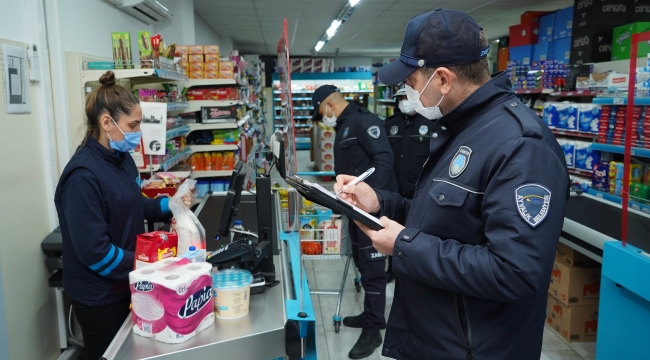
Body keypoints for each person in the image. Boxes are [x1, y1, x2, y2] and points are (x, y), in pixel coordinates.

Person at [334, 9, 569, 360]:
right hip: (438, 338)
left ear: (443, 80)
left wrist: (403, 245)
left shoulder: (520, 147)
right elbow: (447, 222)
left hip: (477, 349)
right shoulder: (462, 128)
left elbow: (515, 272)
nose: (410, 94)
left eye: (412, 84)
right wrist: (380, 202)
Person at [54, 71, 193, 360]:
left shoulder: (121, 159)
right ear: (107, 123)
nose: (138, 132)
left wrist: (171, 204)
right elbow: (95, 252)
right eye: (133, 125)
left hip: (126, 282)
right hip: (99, 297)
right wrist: (147, 266)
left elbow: (133, 201)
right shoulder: (82, 177)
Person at [312, 85, 397, 359]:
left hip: (369, 211)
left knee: (372, 271)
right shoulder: (345, 125)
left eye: (321, 112)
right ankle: (372, 315)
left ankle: (373, 331)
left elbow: (384, 160)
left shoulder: (364, 121)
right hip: (354, 208)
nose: (323, 117)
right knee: (361, 262)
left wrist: (374, 204)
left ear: (329, 106)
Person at [383, 88, 431, 283]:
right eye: (400, 98)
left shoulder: (430, 124)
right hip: (394, 190)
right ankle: (392, 269)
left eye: (407, 97)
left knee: (416, 234)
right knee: (391, 231)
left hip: (419, 192)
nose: (404, 102)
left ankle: (414, 269)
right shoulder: (390, 124)